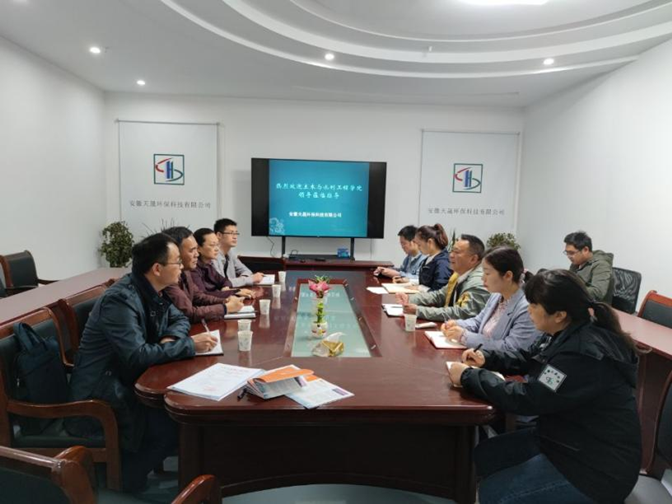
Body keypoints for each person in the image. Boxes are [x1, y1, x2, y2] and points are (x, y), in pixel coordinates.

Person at [448, 269, 642, 503]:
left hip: (595, 467)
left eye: (533, 305)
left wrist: (469, 376)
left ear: (559, 314)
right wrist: (487, 359)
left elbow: (529, 399)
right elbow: (532, 358)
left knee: (494, 494)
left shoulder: (581, 354)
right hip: (563, 439)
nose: (528, 310)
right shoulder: (566, 331)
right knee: (485, 455)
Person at [66, 233, 220, 491]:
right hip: (102, 395)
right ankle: (125, 482)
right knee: (173, 424)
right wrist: (189, 345)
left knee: (182, 416)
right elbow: (136, 356)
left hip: (128, 380)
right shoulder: (120, 299)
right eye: (176, 262)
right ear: (157, 268)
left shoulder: (151, 290)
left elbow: (179, 319)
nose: (182, 267)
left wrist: (170, 340)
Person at [441, 246, 541, 352]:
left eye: (487, 273)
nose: (482, 278)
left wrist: (464, 336)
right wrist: (457, 324)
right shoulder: (497, 295)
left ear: (508, 276)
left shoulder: (527, 308)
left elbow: (510, 348)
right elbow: (478, 322)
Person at [397, 234, 489, 321]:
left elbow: (462, 313)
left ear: (473, 259)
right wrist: (410, 299)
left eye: (456, 252)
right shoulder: (459, 274)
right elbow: (440, 295)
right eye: (452, 251)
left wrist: (419, 311)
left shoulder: (478, 282)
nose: (451, 255)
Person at [163, 226, 244, 322]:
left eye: (196, 249)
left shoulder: (187, 270)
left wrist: (225, 301)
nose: (196, 254)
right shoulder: (168, 278)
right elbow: (189, 313)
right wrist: (225, 308)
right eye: (192, 250)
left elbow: (199, 296)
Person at [191, 227, 256, 300]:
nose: (217, 249)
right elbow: (203, 295)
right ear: (198, 248)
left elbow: (224, 281)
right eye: (212, 245)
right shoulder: (193, 268)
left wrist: (225, 288)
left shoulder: (208, 265)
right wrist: (235, 292)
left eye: (217, 245)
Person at [563, 230, 614, 304]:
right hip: (578, 301)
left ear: (585, 250)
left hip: (595, 306)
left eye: (571, 253)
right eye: (567, 252)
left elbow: (598, 292)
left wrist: (572, 290)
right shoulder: (576, 263)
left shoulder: (601, 265)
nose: (569, 256)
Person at [213, 218, 265, 287]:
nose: (235, 237)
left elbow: (246, 271)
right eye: (231, 233)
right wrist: (248, 279)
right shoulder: (212, 256)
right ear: (219, 235)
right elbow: (221, 283)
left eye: (236, 233)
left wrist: (242, 280)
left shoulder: (229, 253)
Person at [411, 224, 452, 291]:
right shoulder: (429, 258)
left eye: (419, 245)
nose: (418, 248)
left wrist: (420, 288)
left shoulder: (443, 263)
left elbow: (439, 292)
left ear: (430, 242)